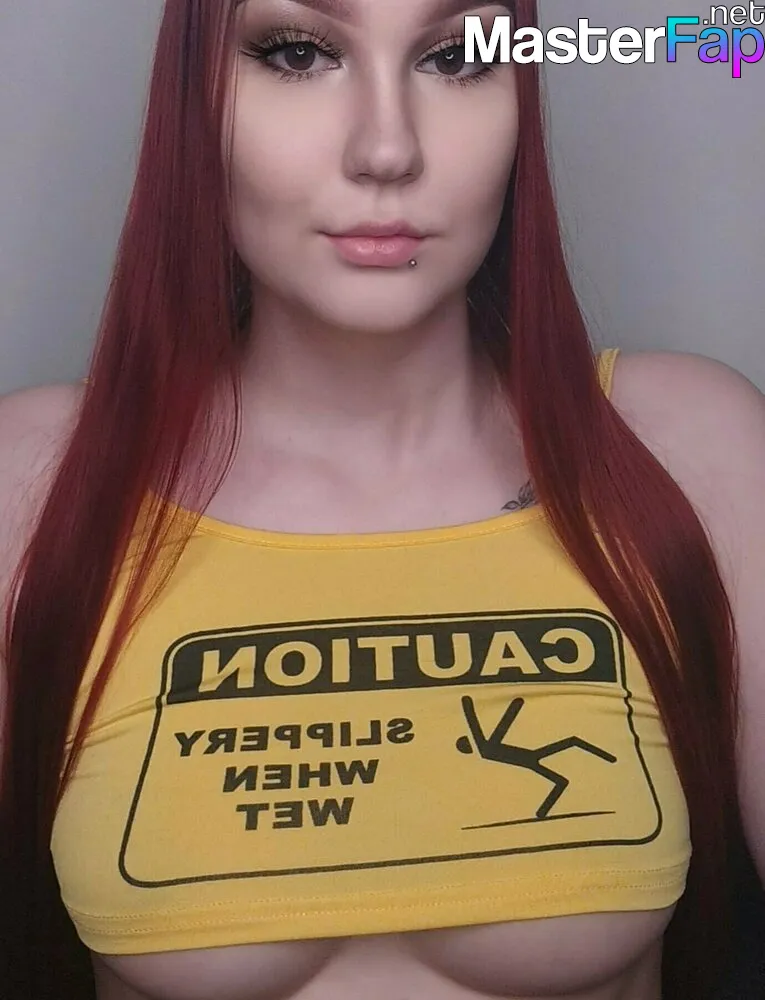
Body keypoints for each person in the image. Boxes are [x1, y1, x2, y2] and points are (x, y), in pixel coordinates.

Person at [0, 0, 763, 998]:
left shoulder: (688, 447)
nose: (387, 150)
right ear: (195, 95)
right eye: (297, 52)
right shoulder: (34, 479)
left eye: (456, 58)